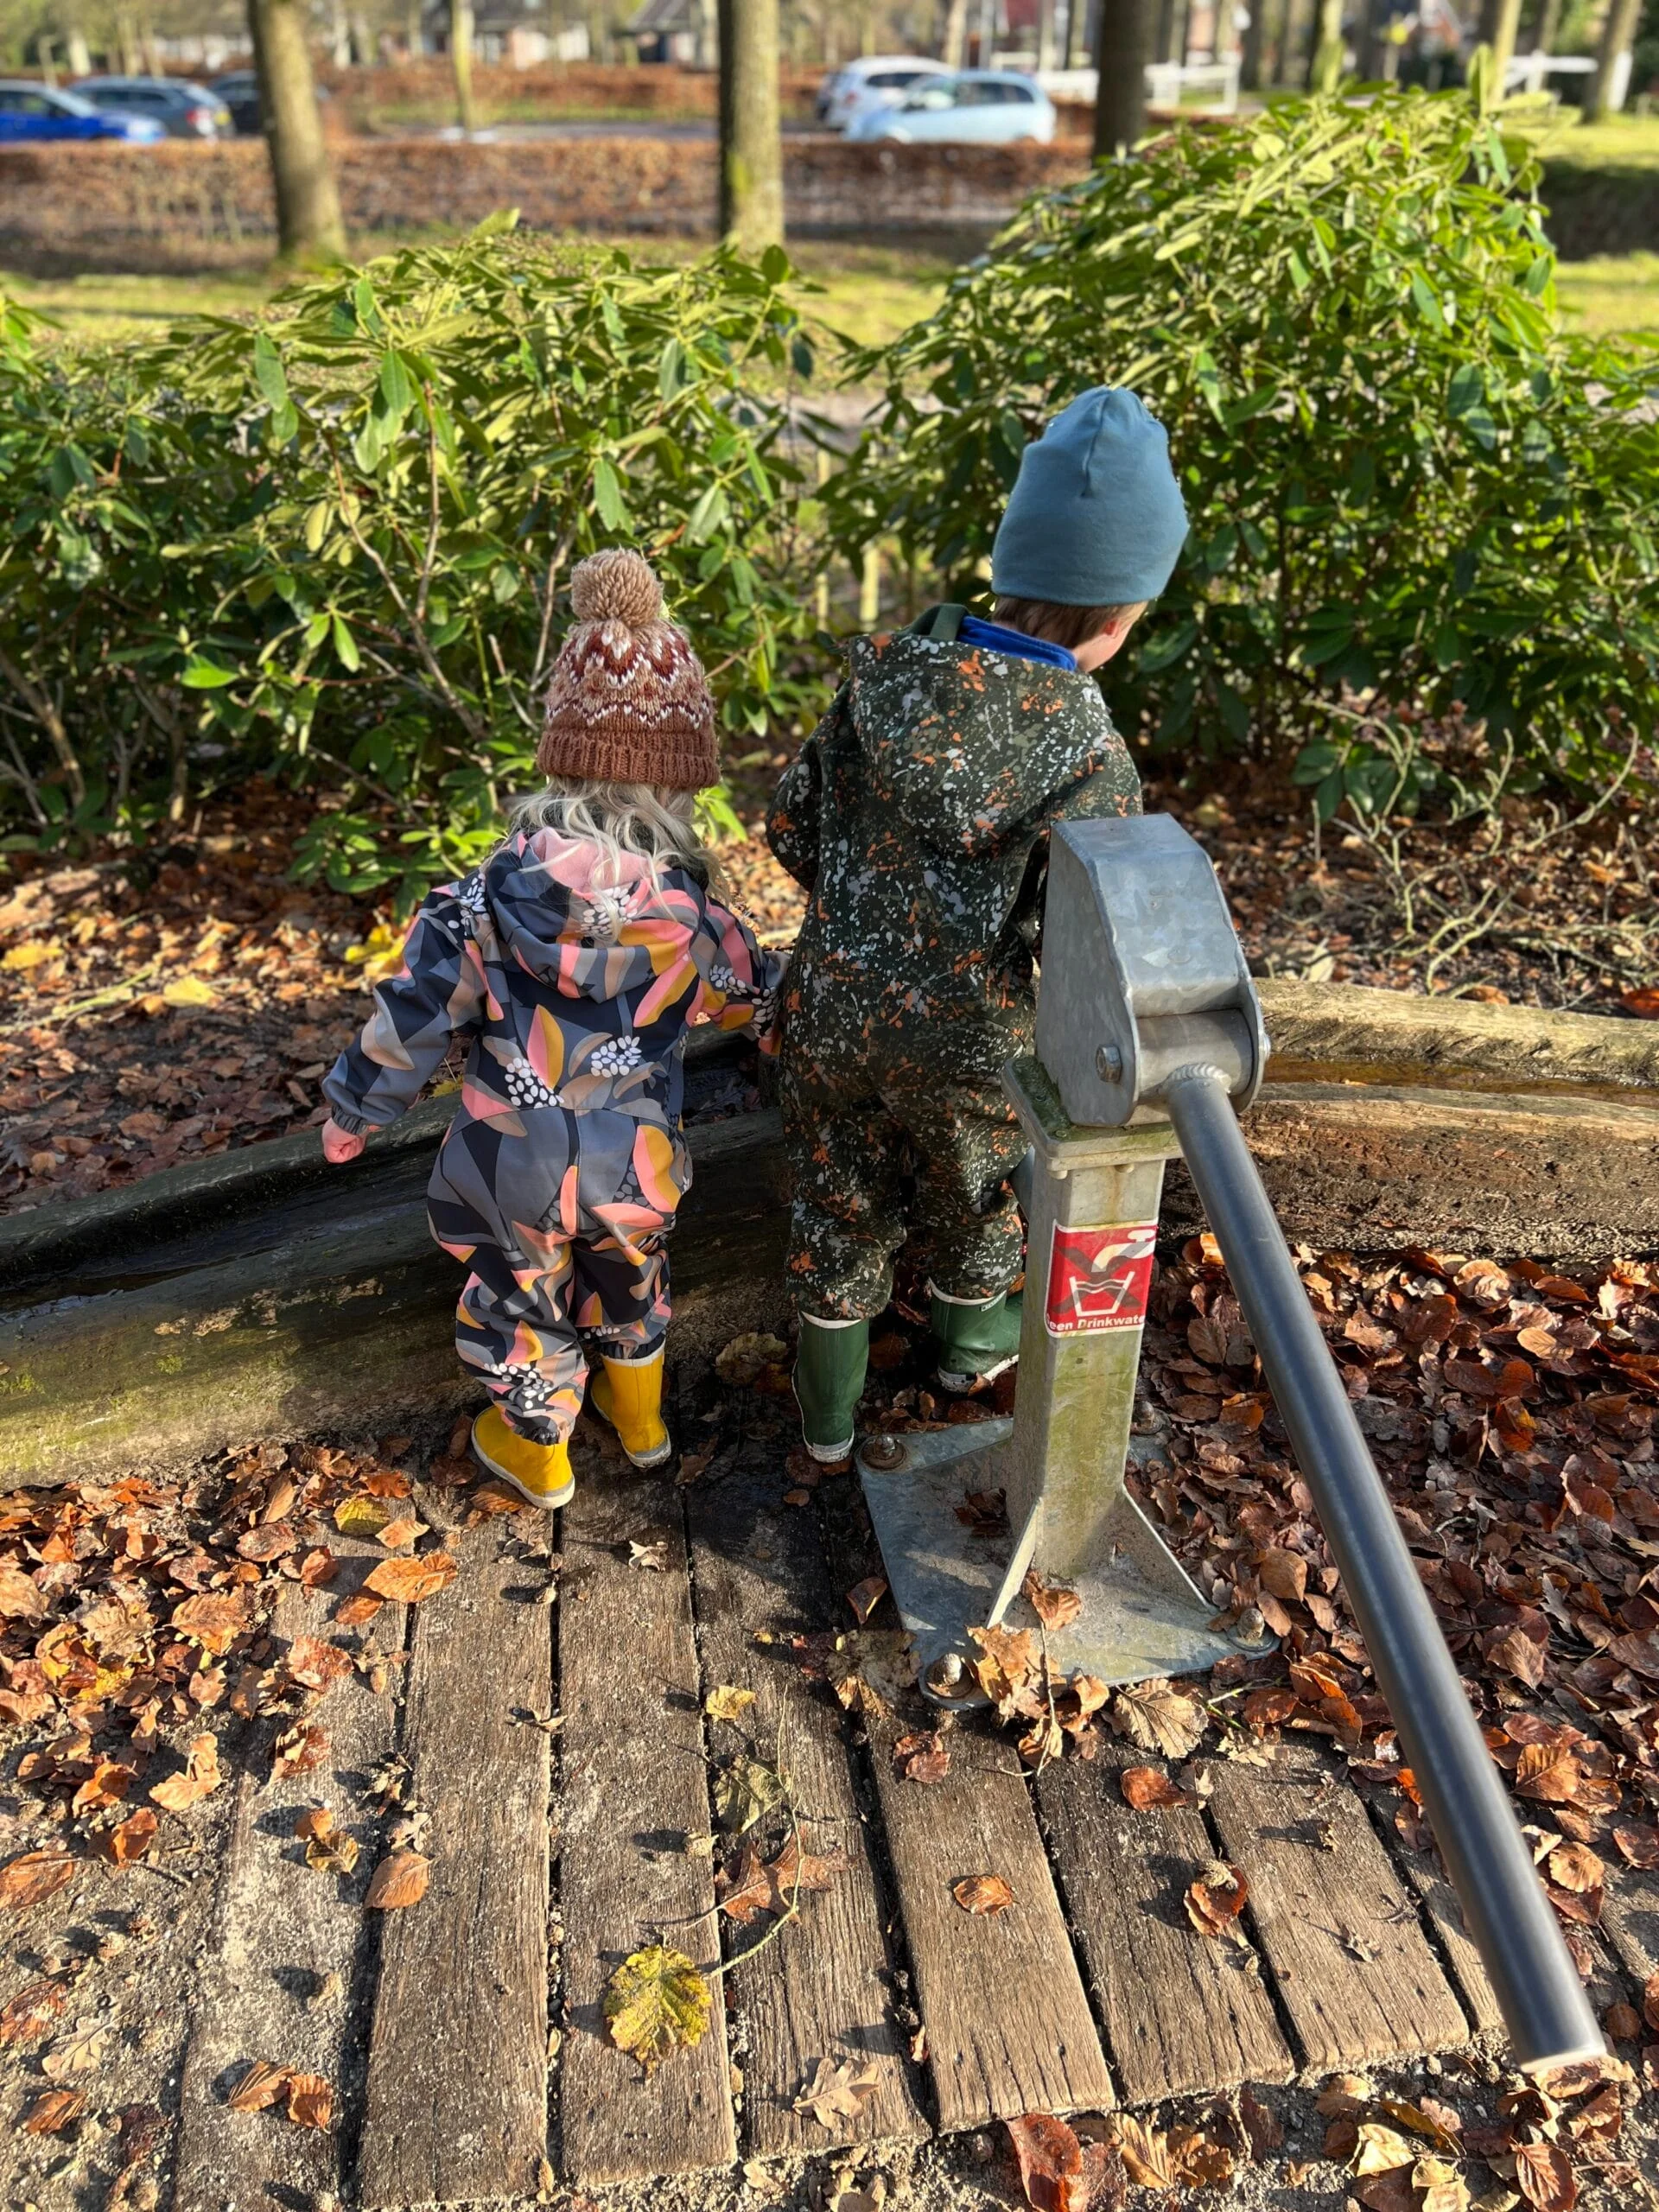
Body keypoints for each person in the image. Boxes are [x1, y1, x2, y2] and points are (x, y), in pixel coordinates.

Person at [766, 385, 1188, 1462]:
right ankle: (969, 1350)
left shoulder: (879, 683)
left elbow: (792, 826)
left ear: (1009, 566)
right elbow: (1089, 929)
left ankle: (825, 1418)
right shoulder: (1088, 753)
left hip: (830, 1011)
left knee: (836, 1197)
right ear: (1117, 620)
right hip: (972, 1037)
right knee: (977, 1190)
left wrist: (861, 914)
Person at [318, 549, 783, 1509]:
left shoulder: (481, 899)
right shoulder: (693, 918)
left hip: (507, 1160)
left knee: (517, 1299)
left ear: (559, 762)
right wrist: (799, 1035)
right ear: (677, 787)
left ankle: (537, 1450)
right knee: (632, 1283)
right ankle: (642, 1421)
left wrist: (357, 1108)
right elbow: (755, 998)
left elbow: (414, 1008)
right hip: (633, 1159)